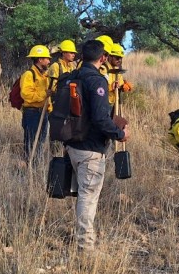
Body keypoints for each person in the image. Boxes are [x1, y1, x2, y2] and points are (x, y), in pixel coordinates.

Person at [63, 40, 129, 252]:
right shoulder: (97, 81)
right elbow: (100, 119)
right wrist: (120, 133)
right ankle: (85, 248)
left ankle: (83, 239)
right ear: (102, 59)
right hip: (90, 149)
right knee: (87, 197)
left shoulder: (70, 77)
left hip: (72, 145)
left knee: (83, 193)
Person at [19, 44, 52, 160]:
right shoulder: (29, 75)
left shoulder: (45, 76)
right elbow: (26, 94)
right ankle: (29, 167)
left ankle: (37, 164)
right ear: (40, 59)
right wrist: (44, 94)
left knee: (41, 141)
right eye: (47, 58)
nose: (49, 61)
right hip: (32, 113)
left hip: (43, 113)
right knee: (31, 142)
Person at [104, 43, 133, 111]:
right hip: (104, 103)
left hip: (114, 103)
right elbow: (100, 87)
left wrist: (123, 86)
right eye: (117, 58)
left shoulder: (117, 70)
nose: (119, 60)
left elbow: (120, 84)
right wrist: (111, 87)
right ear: (110, 56)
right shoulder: (104, 69)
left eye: (121, 58)